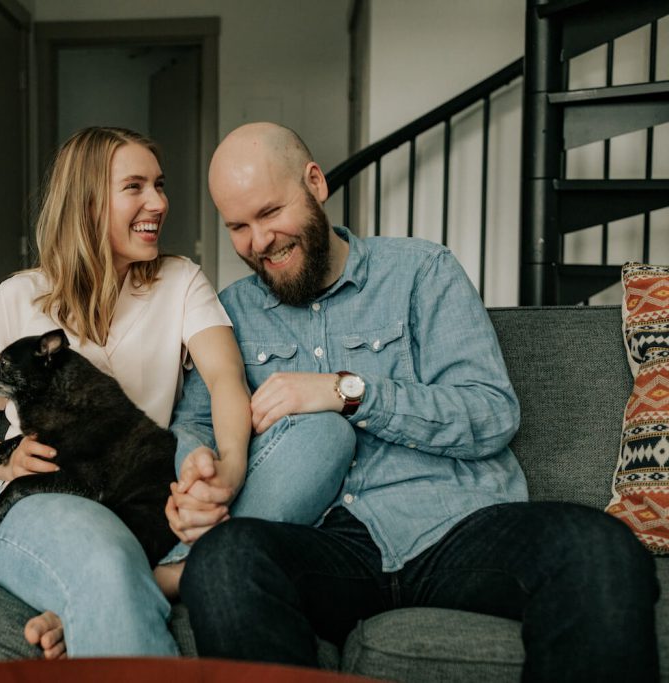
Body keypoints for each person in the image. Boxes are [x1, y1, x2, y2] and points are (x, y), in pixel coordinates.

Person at [170, 122, 659, 681]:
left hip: (456, 528)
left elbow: (490, 413)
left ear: (315, 183)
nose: (258, 242)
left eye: (269, 213)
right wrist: (197, 467)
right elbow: (195, 426)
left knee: (599, 547)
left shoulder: (422, 271)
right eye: (237, 226)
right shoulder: (229, 313)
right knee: (225, 561)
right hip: (324, 545)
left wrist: (347, 391)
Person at [0, 126, 352, 659]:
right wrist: (10, 460)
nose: (158, 202)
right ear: (87, 203)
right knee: (106, 565)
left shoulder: (180, 281)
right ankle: (156, 577)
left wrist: (230, 468)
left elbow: (226, 380)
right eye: (134, 187)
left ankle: (160, 576)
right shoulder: (20, 296)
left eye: (159, 185)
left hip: (145, 495)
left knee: (321, 433)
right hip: (49, 497)